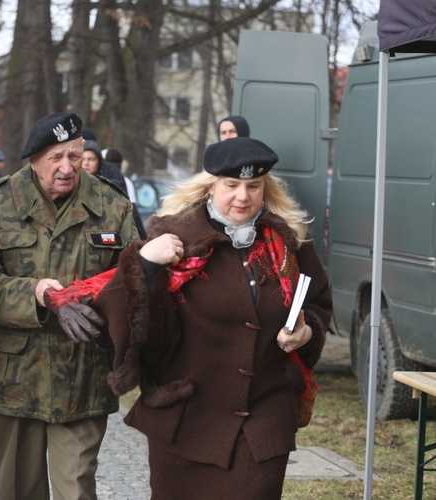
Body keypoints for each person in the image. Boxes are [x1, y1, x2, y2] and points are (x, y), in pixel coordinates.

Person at [57, 137, 333, 498]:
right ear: (210, 187)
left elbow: (317, 303)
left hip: (263, 421)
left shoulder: (289, 239)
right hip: (187, 422)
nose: (243, 197)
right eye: (231, 186)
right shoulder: (174, 237)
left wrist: (307, 331)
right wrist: (144, 265)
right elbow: (136, 327)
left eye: (254, 186)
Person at [0, 112, 139, 500]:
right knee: (16, 490)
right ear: (34, 159)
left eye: (75, 156)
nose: (67, 167)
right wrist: (38, 294)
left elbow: (135, 282)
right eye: (56, 157)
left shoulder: (112, 205)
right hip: (17, 377)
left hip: (84, 373)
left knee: (76, 490)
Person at [104, 147, 147, 237]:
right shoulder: (126, 181)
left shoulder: (97, 178)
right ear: (121, 162)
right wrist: (143, 235)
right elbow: (133, 209)